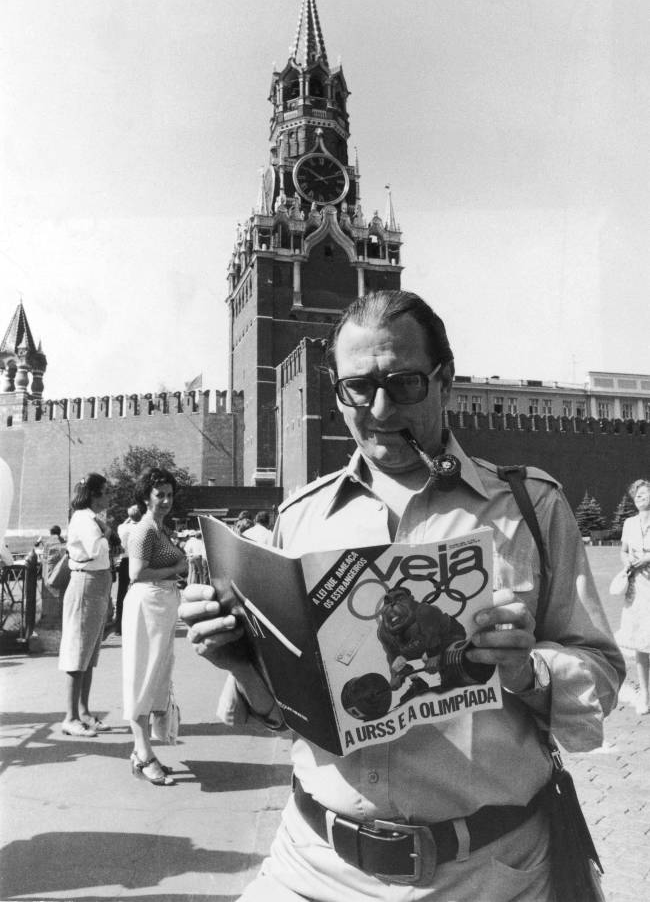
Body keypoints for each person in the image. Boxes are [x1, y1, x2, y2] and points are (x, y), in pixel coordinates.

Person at [180, 289, 624, 902]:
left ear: (446, 382)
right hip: (314, 866)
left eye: (405, 383)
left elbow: (600, 680)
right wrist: (240, 663)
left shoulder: (530, 509)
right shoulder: (302, 522)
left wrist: (527, 671)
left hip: (490, 876)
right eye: (357, 388)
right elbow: (286, 719)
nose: (380, 407)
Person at [122, 467, 187, 786]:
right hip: (146, 607)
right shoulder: (144, 530)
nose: (165, 500)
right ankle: (144, 755)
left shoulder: (161, 528)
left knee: (157, 677)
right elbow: (136, 573)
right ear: (147, 496)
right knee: (143, 679)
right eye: (159, 494)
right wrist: (177, 567)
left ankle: (142, 752)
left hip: (161, 608)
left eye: (169, 495)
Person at [58, 473, 114, 738]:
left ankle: (84, 712)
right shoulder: (84, 519)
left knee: (89, 654)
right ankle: (71, 717)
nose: (109, 496)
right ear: (93, 494)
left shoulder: (92, 518)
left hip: (97, 583)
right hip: (86, 583)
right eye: (105, 491)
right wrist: (108, 532)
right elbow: (95, 549)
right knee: (78, 652)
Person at [616, 478, 650, 714]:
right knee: (640, 641)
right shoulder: (629, 523)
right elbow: (623, 550)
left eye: (645, 494)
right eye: (637, 495)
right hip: (637, 586)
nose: (641, 498)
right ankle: (645, 695)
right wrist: (627, 561)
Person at [114, 505, 142, 636]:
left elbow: (123, 524)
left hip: (125, 561)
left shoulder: (122, 528)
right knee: (140, 592)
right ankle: (137, 625)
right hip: (139, 561)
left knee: (121, 593)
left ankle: (119, 626)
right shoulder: (143, 527)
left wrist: (129, 517)